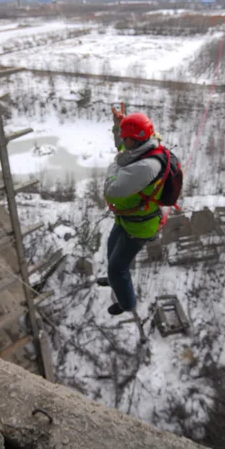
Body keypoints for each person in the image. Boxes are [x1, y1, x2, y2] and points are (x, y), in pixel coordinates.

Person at [100, 106, 165, 316]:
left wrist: (113, 167)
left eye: (125, 137)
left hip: (140, 227)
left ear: (135, 140)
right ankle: (114, 281)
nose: (122, 140)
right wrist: (118, 125)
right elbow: (123, 149)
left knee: (118, 268)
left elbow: (111, 190)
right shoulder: (141, 149)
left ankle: (126, 303)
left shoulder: (146, 166)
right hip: (127, 219)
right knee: (112, 255)